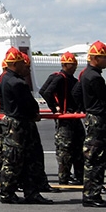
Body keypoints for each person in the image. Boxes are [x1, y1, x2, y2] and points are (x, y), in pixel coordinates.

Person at [0, 48, 53, 204]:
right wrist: (34, 113)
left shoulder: (5, 79)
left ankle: (20, 191)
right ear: (15, 64)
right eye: (22, 63)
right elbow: (30, 104)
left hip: (15, 123)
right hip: (20, 125)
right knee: (19, 160)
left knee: (22, 159)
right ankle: (10, 193)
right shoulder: (17, 83)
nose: (25, 67)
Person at [41, 51, 84, 185]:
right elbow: (45, 92)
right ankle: (64, 177)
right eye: (72, 65)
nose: (74, 67)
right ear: (65, 65)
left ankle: (79, 175)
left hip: (74, 116)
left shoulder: (72, 79)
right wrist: (55, 108)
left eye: (75, 64)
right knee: (65, 148)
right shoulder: (60, 77)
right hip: (65, 118)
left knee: (79, 145)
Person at [79, 40, 106, 207]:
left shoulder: (86, 74)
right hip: (98, 119)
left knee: (93, 158)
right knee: (96, 159)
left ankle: (91, 193)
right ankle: (91, 195)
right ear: (95, 58)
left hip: (92, 116)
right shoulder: (95, 77)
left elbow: (76, 93)